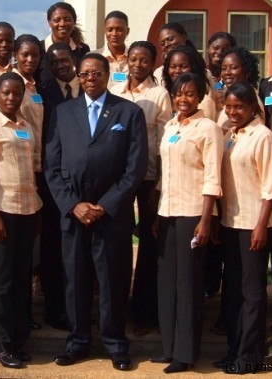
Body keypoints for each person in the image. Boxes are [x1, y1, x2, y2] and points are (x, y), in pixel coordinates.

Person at [45, 53, 147, 371]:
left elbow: (135, 168)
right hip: (74, 213)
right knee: (76, 280)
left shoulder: (129, 113)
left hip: (111, 215)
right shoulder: (62, 113)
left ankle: (115, 343)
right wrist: (73, 204)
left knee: (113, 279)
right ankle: (77, 342)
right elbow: (52, 165)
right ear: (78, 76)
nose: (91, 78)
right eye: (85, 73)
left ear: (107, 75)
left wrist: (105, 205)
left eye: (97, 73)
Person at [151, 72, 223, 373]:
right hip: (168, 211)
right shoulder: (169, 126)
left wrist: (206, 220)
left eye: (190, 94)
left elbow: (212, 178)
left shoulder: (209, 129)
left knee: (188, 284)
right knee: (167, 283)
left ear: (201, 96)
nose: (184, 99)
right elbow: (164, 174)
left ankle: (186, 352)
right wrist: (156, 214)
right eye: (179, 94)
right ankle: (168, 347)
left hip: (194, 213)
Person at [0, 72, 42, 369]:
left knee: (21, 276)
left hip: (27, 210)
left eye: (17, 93)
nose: (12, 98)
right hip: (2, 211)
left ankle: (17, 339)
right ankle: (0, 343)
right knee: (1, 278)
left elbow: (32, 169)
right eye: (6, 93)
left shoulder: (26, 127)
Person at [215, 82, 272, 374]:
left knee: (252, 292)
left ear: (253, 107)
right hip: (231, 221)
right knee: (233, 291)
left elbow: (271, 187)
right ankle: (234, 350)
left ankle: (250, 356)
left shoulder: (263, 137)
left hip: (254, 223)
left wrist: (262, 225)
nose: (232, 112)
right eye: (228, 107)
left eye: (239, 107)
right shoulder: (230, 135)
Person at [110, 40, 172, 336]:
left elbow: (162, 141)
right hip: (118, 176)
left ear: (152, 63)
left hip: (147, 176)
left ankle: (144, 313)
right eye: (133, 59)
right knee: (118, 241)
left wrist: (159, 184)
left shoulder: (159, 94)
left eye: (144, 60)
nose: (137, 64)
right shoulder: (115, 89)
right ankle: (115, 309)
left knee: (149, 244)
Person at [37, 42, 80, 330]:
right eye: (53, 63)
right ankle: (56, 310)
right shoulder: (44, 93)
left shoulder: (91, 85)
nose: (60, 66)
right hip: (55, 184)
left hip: (84, 181)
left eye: (64, 60)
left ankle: (79, 308)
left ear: (73, 60)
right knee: (54, 250)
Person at [12, 34, 44, 172]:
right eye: (25, 55)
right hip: (16, 159)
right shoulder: (8, 84)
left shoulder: (35, 87)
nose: (30, 60)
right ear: (15, 55)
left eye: (35, 55)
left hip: (35, 161)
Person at [39, 2, 90, 83]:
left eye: (67, 19)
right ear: (49, 23)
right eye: (57, 20)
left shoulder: (83, 49)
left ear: (74, 22)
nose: (62, 24)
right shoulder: (39, 49)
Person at [161, 44, 216, 120]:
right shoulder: (166, 96)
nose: (177, 71)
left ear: (194, 67)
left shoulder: (204, 102)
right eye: (173, 67)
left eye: (183, 66)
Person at [217, 46, 263, 129]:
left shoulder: (251, 98)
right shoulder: (228, 96)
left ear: (247, 71)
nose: (227, 72)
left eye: (233, 68)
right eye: (223, 69)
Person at [90, 11, 130, 88]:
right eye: (110, 29)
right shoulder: (93, 58)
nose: (114, 34)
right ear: (104, 31)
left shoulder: (134, 59)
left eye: (119, 29)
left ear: (127, 31)